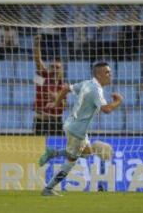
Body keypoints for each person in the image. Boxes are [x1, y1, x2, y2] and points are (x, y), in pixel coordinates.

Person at [38, 61, 123, 196]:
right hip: (77, 130)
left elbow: (66, 88)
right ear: (99, 74)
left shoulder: (87, 83)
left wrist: (55, 104)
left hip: (72, 125)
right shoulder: (96, 90)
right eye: (107, 72)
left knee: (87, 152)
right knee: (71, 161)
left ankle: (53, 153)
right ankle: (48, 189)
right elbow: (106, 109)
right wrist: (118, 101)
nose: (110, 74)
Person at [34, 35, 66, 136]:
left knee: (57, 148)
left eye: (57, 67)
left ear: (61, 70)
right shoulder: (43, 77)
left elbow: (64, 105)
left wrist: (56, 97)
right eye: (52, 66)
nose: (54, 68)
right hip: (41, 121)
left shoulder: (63, 86)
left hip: (56, 122)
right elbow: (38, 60)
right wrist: (37, 44)